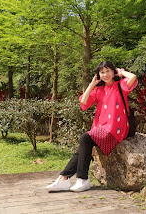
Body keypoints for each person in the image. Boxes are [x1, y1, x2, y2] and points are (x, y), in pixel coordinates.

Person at [46, 61, 138, 192]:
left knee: (85, 138)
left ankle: (81, 179)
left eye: (108, 71)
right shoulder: (99, 90)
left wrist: (120, 71)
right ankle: (64, 178)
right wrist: (92, 84)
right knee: (85, 145)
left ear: (113, 72)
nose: (105, 74)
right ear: (98, 74)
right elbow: (83, 103)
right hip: (102, 128)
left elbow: (133, 77)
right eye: (102, 72)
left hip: (116, 129)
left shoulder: (121, 86)